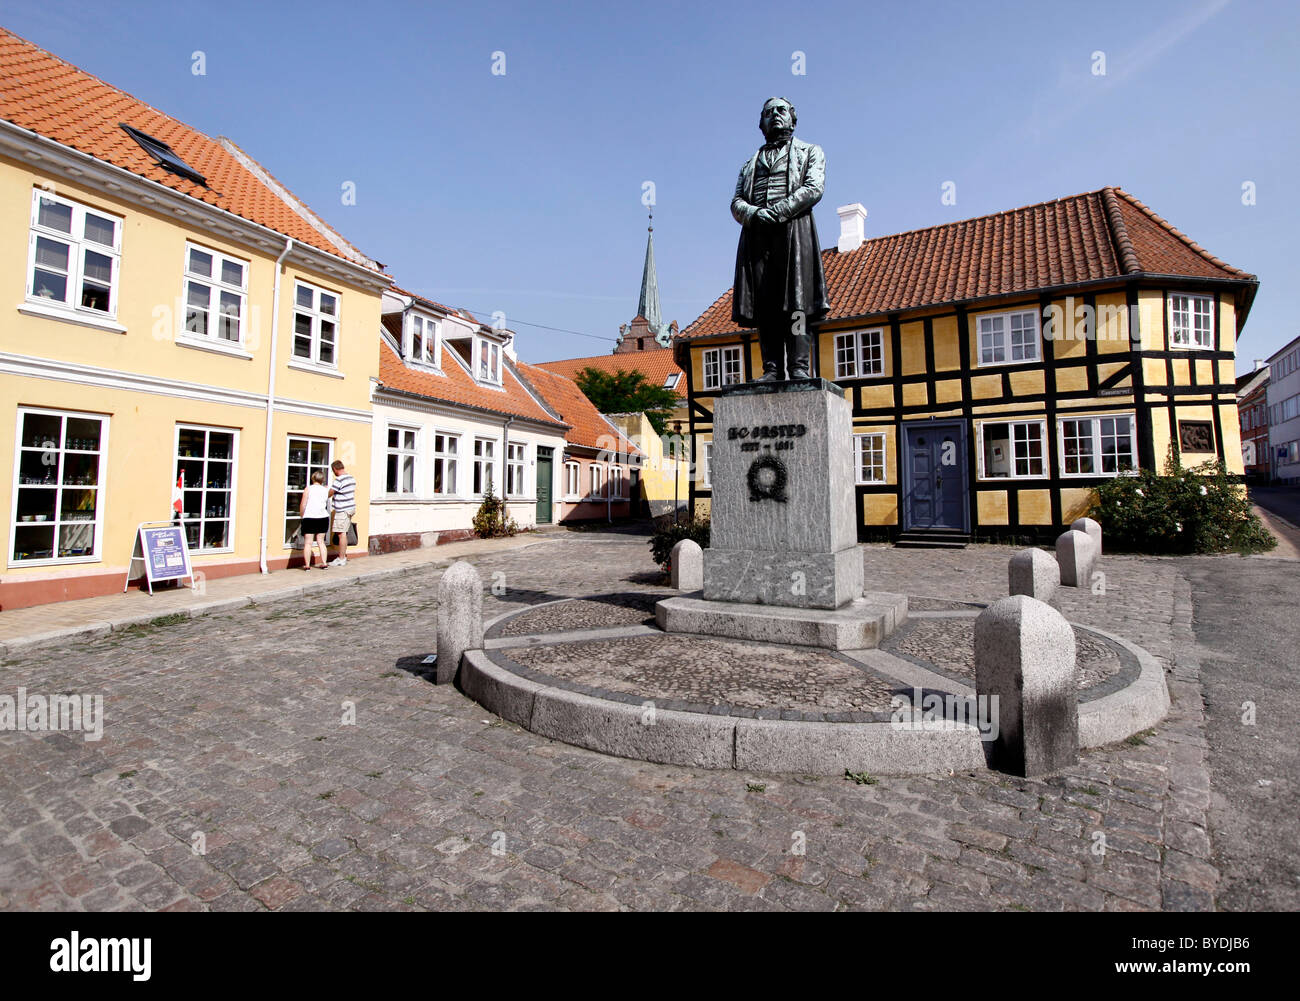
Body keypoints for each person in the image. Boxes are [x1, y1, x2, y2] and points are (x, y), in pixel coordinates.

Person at [730, 97, 830, 382]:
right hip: (757, 236)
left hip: (793, 232)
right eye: (768, 113)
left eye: (781, 110)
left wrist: (778, 212)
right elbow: (736, 201)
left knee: (796, 301)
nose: (775, 116)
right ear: (760, 123)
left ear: (793, 119)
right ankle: (772, 368)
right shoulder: (749, 165)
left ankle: (799, 367)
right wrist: (753, 213)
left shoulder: (811, 151)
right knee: (765, 305)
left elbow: (813, 188)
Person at [299, 470, 330, 570]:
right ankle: (324, 563)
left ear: (313, 478)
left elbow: (303, 504)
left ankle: (307, 565)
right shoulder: (326, 490)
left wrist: (301, 515)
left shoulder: (308, 489)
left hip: (310, 517)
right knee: (321, 542)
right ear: (322, 479)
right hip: (323, 517)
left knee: (308, 543)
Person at [328, 459, 356, 566]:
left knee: (341, 534)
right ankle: (343, 555)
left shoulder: (339, 480)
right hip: (350, 508)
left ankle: (341, 558)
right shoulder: (351, 478)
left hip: (343, 509)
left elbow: (330, 493)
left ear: (335, 469)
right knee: (343, 532)